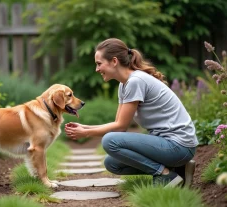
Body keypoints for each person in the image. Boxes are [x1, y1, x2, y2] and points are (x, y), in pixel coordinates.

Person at [64, 38, 198, 187]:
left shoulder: (136, 81)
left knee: (110, 141)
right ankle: (178, 169)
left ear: (114, 61)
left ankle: (165, 175)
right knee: (112, 164)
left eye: (99, 64)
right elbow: (118, 125)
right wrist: (85, 127)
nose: (97, 69)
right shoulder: (124, 85)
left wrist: (86, 133)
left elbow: (120, 128)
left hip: (179, 146)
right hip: (168, 145)